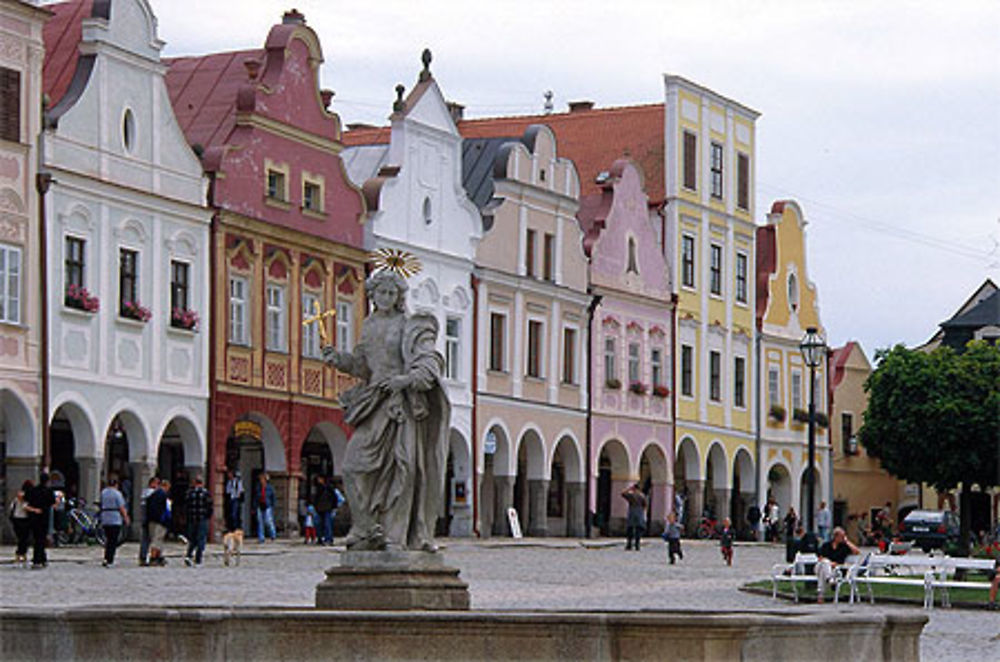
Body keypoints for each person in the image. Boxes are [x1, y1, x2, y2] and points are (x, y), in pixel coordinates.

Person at [322, 269, 450, 552]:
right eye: (382, 292)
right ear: (373, 294)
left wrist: (407, 379)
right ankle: (366, 527)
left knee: (402, 471)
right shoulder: (369, 325)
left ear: (399, 297)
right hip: (374, 402)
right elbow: (363, 366)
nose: (386, 298)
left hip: (400, 406)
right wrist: (340, 361)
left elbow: (430, 362)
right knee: (353, 466)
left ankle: (395, 535)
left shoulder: (410, 326)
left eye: (392, 293)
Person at [815, 526, 860, 604]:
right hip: (823, 567)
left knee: (823, 571)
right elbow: (820, 557)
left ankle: (821, 595)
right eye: (842, 536)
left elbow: (857, 552)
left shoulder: (844, 547)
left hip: (836, 570)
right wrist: (829, 563)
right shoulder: (826, 545)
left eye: (844, 536)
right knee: (825, 563)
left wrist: (847, 541)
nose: (843, 538)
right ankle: (830, 579)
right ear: (836, 536)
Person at [25, 472, 55, 569]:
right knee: (41, 539)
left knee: (37, 538)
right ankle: (37, 559)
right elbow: (52, 502)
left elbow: (27, 500)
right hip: (44, 517)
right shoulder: (48, 491)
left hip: (34, 517)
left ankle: (42, 558)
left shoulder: (34, 490)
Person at [98, 476, 129, 567]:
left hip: (105, 517)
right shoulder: (117, 494)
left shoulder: (103, 492)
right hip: (115, 518)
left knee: (108, 539)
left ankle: (106, 557)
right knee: (113, 540)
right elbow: (121, 507)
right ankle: (110, 559)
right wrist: (126, 517)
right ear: (116, 484)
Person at [184, 475, 212, 566]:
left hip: (192, 519)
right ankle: (198, 559)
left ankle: (188, 556)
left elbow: (186, 506)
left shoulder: (189, 493)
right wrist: (208, 516)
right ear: (202, 483)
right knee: (201, 539)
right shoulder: (205, 493)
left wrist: (188, 517)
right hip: (202, 519)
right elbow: (210, 506)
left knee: (192, 539)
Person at [144, 479, 170, 566]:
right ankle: (153, 558)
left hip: (152, 520)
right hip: (159, 521)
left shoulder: (153, 494)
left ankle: (158, 557)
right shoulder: (162, 495)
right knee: (157, 540)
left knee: (157, 540)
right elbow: (165, 509)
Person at [9, 479, 33, 567]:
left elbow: (11, 507)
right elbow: (25, 507)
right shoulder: (27, 497)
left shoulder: (17, 497)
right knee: (24, 538)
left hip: (16, 518)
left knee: (21, 538)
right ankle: (21, 553)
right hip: (24, 519)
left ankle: (20, 554)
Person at [138, 476, 160, 566]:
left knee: (145, 540)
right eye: (157, 483)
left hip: (145, 519)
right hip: (152, 520)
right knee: (154, 540)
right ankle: (154, 558)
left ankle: (143, 558)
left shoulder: (144, 493)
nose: (157, 486)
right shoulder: (153, 494)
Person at [621, 483, 647, 551]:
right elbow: (645, 505)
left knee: (630, 528)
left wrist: (629, 489)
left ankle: (629, 544)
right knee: (638, 529)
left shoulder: (631, 495)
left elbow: (623, 493)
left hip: (632, 512)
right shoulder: (642, 495)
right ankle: (637, 545)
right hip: (640, 512)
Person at [313, 475, 337, 545]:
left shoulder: (329, 488)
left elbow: (334, 498)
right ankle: (320, 538)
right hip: (319, 509)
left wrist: (333, 507)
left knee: (327, 524)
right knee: (318, 524)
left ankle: (328, 539)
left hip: (327, 508)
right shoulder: (318, 488)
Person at [255, 473, 277, 543]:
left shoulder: (270, 488)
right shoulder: (258, 488)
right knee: (260, 522)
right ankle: (261, 537)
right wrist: (254, 506)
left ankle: (273, 534)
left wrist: (273, 505)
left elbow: (273, 497)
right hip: (260, 505)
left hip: (267, 506)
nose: (261, 481)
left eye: (262, 479)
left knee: (268, 521)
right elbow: (255, 498)